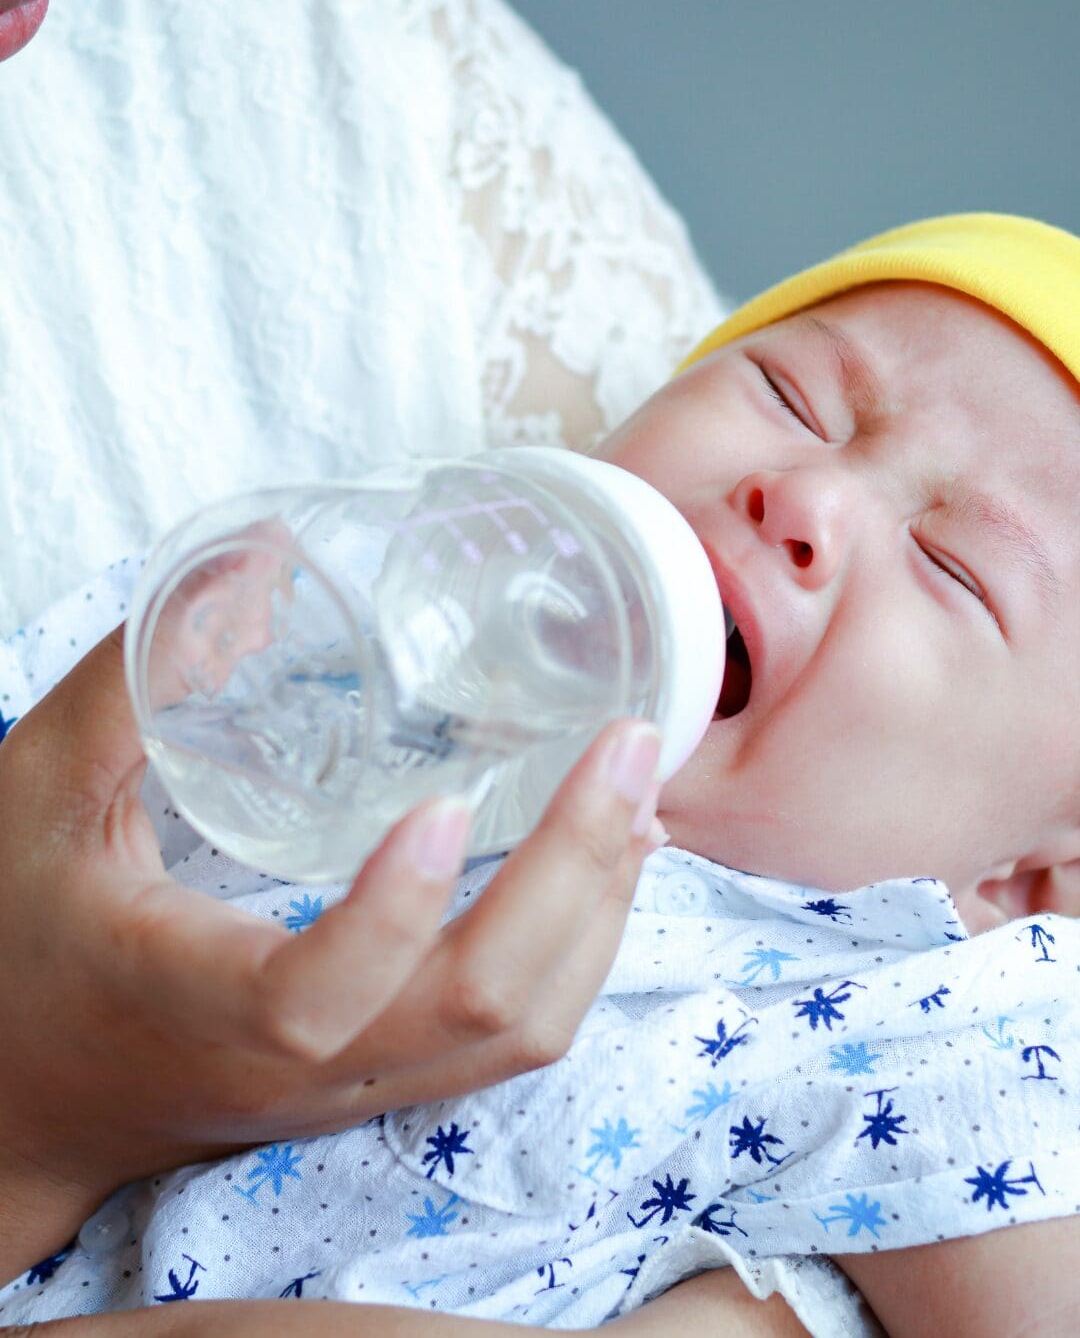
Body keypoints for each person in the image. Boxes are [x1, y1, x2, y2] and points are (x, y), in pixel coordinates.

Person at [2, 212, 1079, 1338]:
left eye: (960, 570)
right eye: (789, 395)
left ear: (1018, 883)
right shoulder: (290, 615)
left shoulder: (924, 1017)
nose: (807, 497)